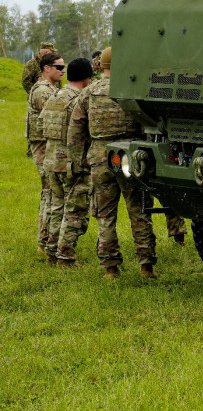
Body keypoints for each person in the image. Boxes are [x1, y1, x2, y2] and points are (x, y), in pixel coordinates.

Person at [68, 47, 159, 279]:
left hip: (100, 156)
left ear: (102, 66)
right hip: (131, 156)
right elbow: (150, 125)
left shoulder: (89, 92)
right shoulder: (132, 90)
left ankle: (110, 268)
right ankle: (146, 266)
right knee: (139, 210)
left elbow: (75, 129)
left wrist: (79, 161)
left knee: (105, 215)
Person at [39, 57, 93, 266]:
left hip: (51, 162)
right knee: (75, 210)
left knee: (56, 207)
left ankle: (51, 253)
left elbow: (42, 125)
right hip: (72, 164)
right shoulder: (79, 101)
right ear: (87, 77)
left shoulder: (55, 97)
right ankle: (66, 256)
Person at [26, 52, 63, 254]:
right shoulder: (43, 91)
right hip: (44, 148)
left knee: (50, 193)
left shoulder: (51, 89)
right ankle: (45, 241)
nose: (63, 70)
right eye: (59, 67)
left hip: (47, 146)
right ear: (46, 68)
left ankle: (47, 239)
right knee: (50, 193)